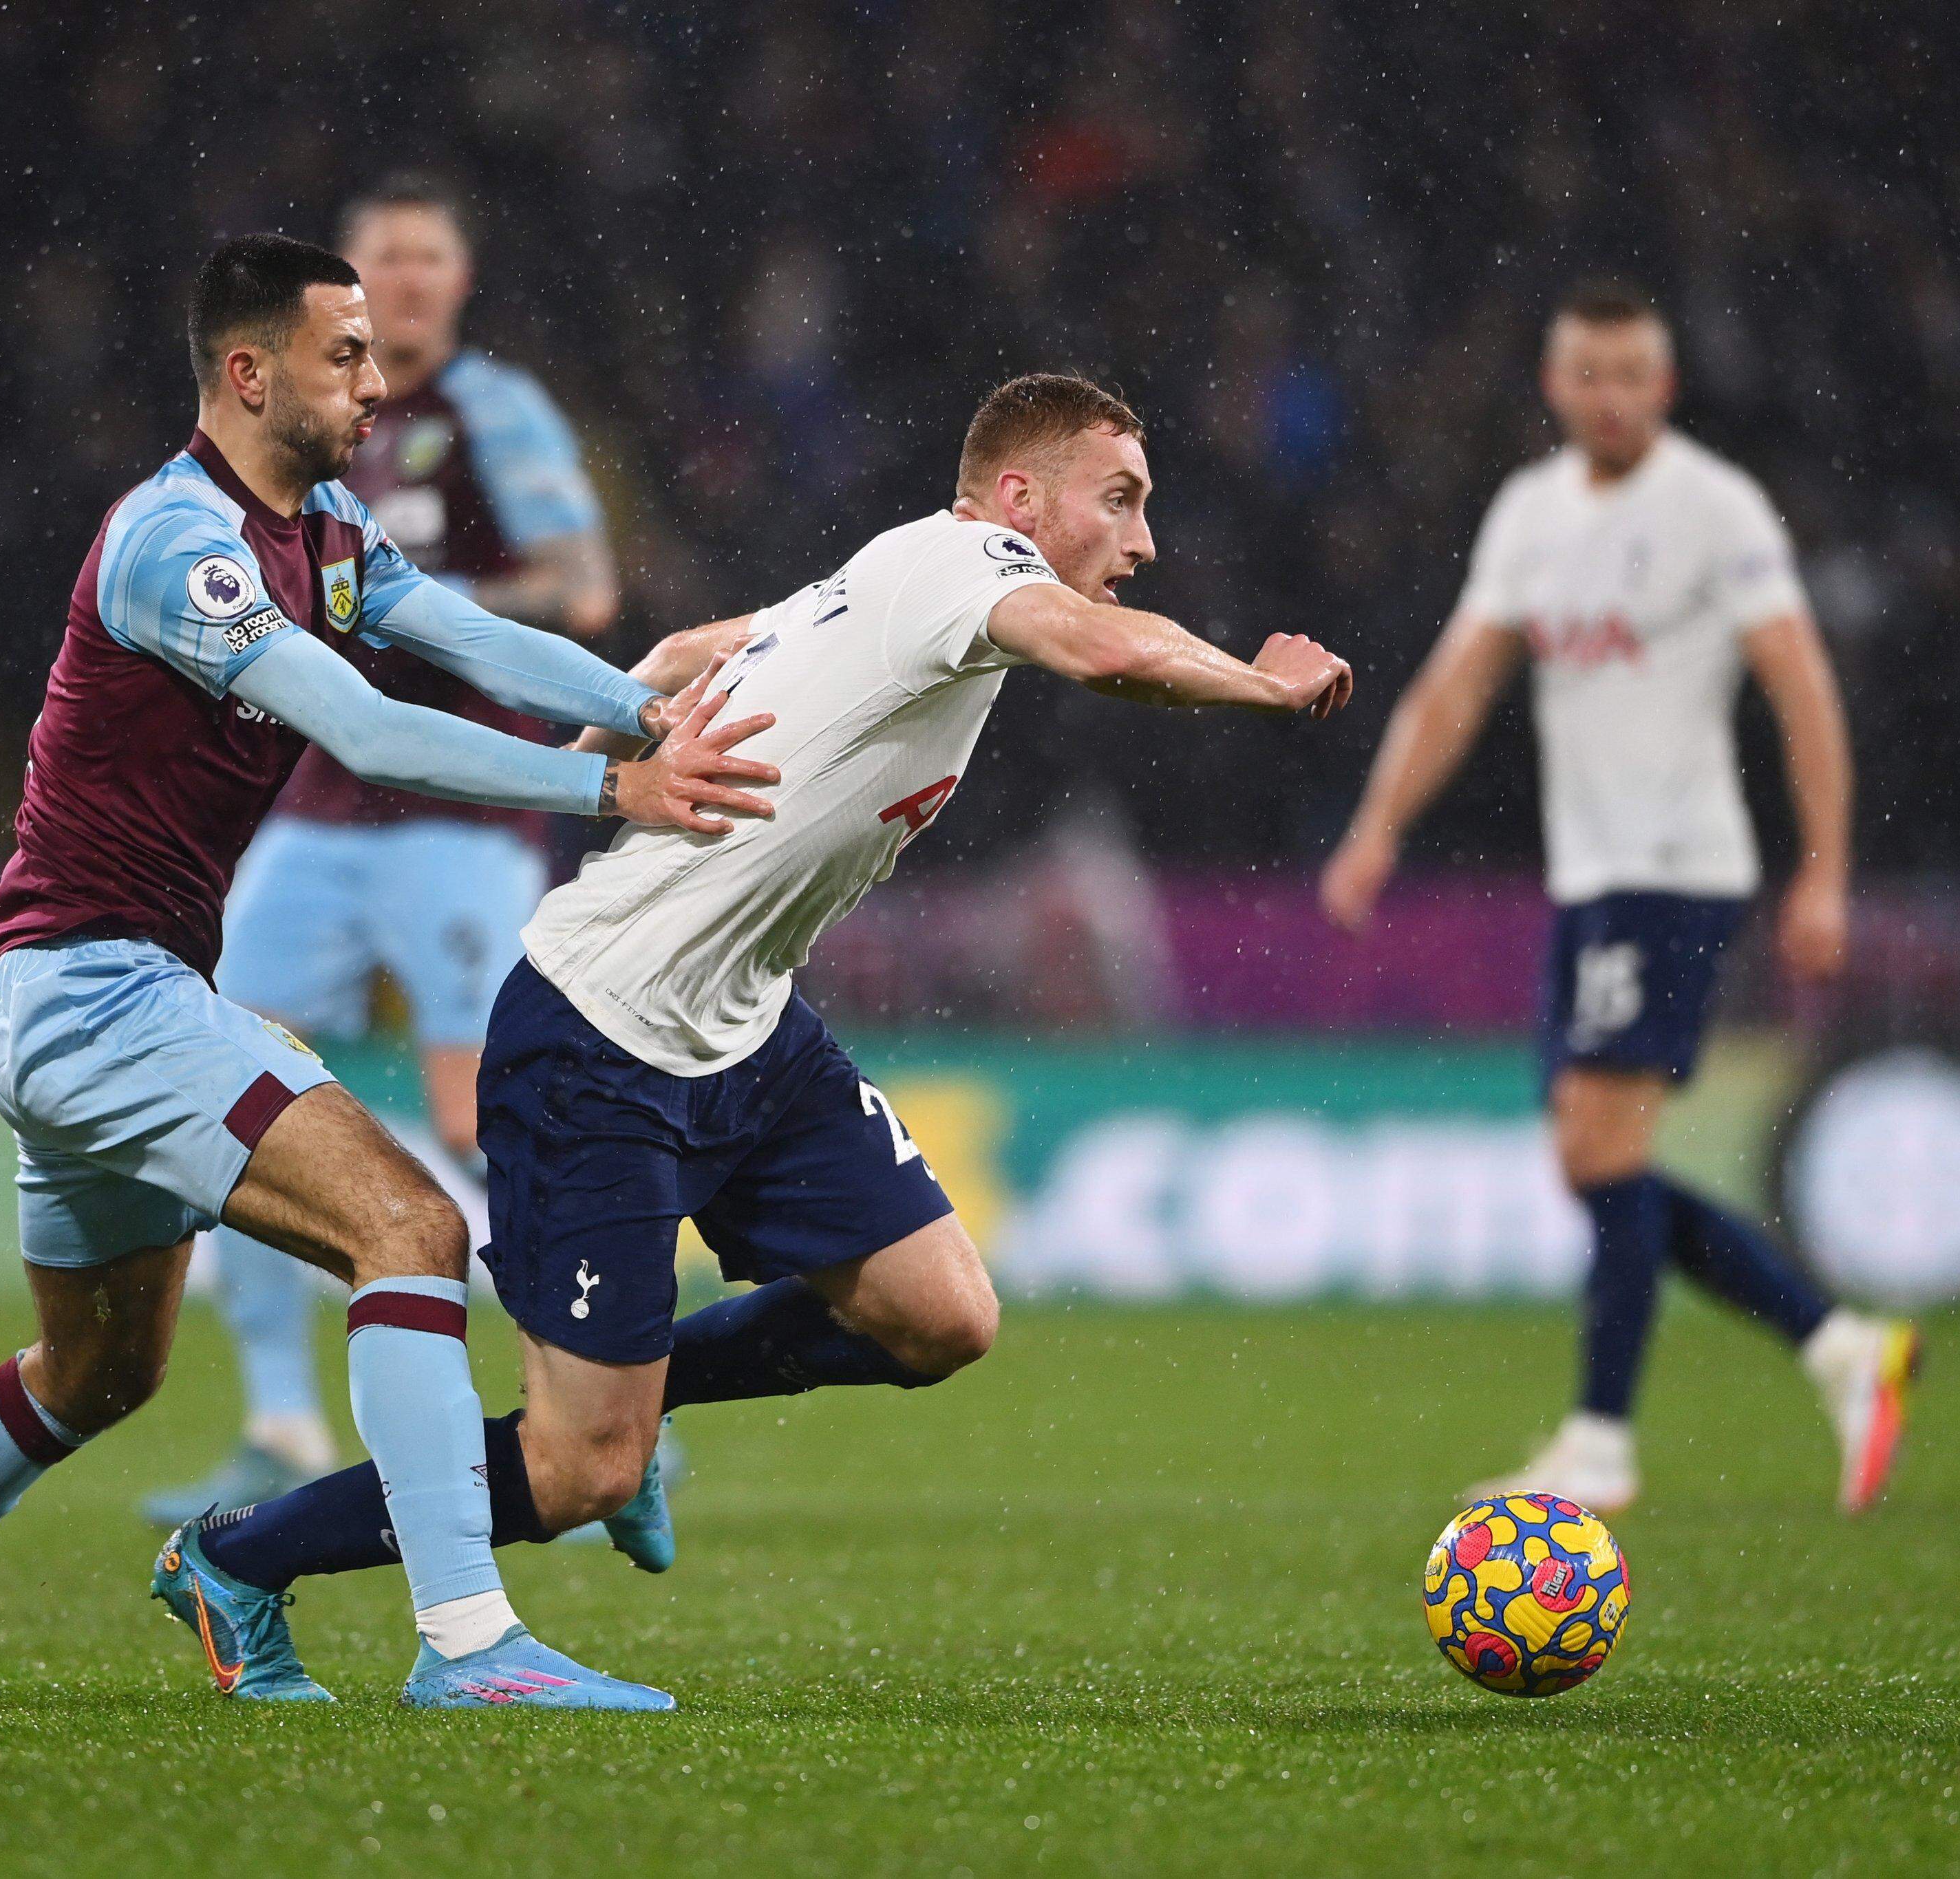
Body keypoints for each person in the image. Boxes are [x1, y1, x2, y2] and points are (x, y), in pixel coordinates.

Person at [0, 233, 778, 1712]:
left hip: (77, 999)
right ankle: (469, 1644)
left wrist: (632, 711)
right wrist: (608, 789)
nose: (373, 376)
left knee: (95, 1373)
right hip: (101, 995)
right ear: (245, 372)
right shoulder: (177, 546)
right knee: (406, 1228)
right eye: (342, 353)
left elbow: (455, 634)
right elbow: (367, 728)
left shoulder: (330, 524)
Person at [160, 375, 1352, 1679]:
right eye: (1118, 501)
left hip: (748, 1032)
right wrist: (1257, 680)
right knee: (580, 1474)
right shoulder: (966, 561)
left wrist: (622, 716)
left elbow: (690, 654)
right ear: (1019, 499)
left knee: (941, 1315)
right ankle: (243, 1557)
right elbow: (1110, 652)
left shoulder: (898, 582)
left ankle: (630, 1378)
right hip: (598, 1037)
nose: (1143, 542)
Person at [1317, 283, 1917, 1516]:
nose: (1610, 397)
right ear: (1555, 385)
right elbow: (1454, 689)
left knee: (1601, 1151)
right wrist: (1378, 825)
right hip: (1591, 881)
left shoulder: (1715, 508)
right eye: (1588, 375)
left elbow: (1803, 690)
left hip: (1678, 867)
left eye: (1632, 375)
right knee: (1598, 1163)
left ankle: (1605, 1440)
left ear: (1668, 384)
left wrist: (1828, 867)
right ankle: (1840, 1346)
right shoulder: (1531, 513)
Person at [142, 178, 641, 1536]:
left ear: (461, 282)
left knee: (481, 1117)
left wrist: (417, 604)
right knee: (228, 1088)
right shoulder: (300, 428)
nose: (407, 285)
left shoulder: (493, 412)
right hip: (313, 816)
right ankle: (273, 1421)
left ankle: (604, 1416)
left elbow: (582, 588)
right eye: (385, 264)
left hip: (463, 821)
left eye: (431, 260)